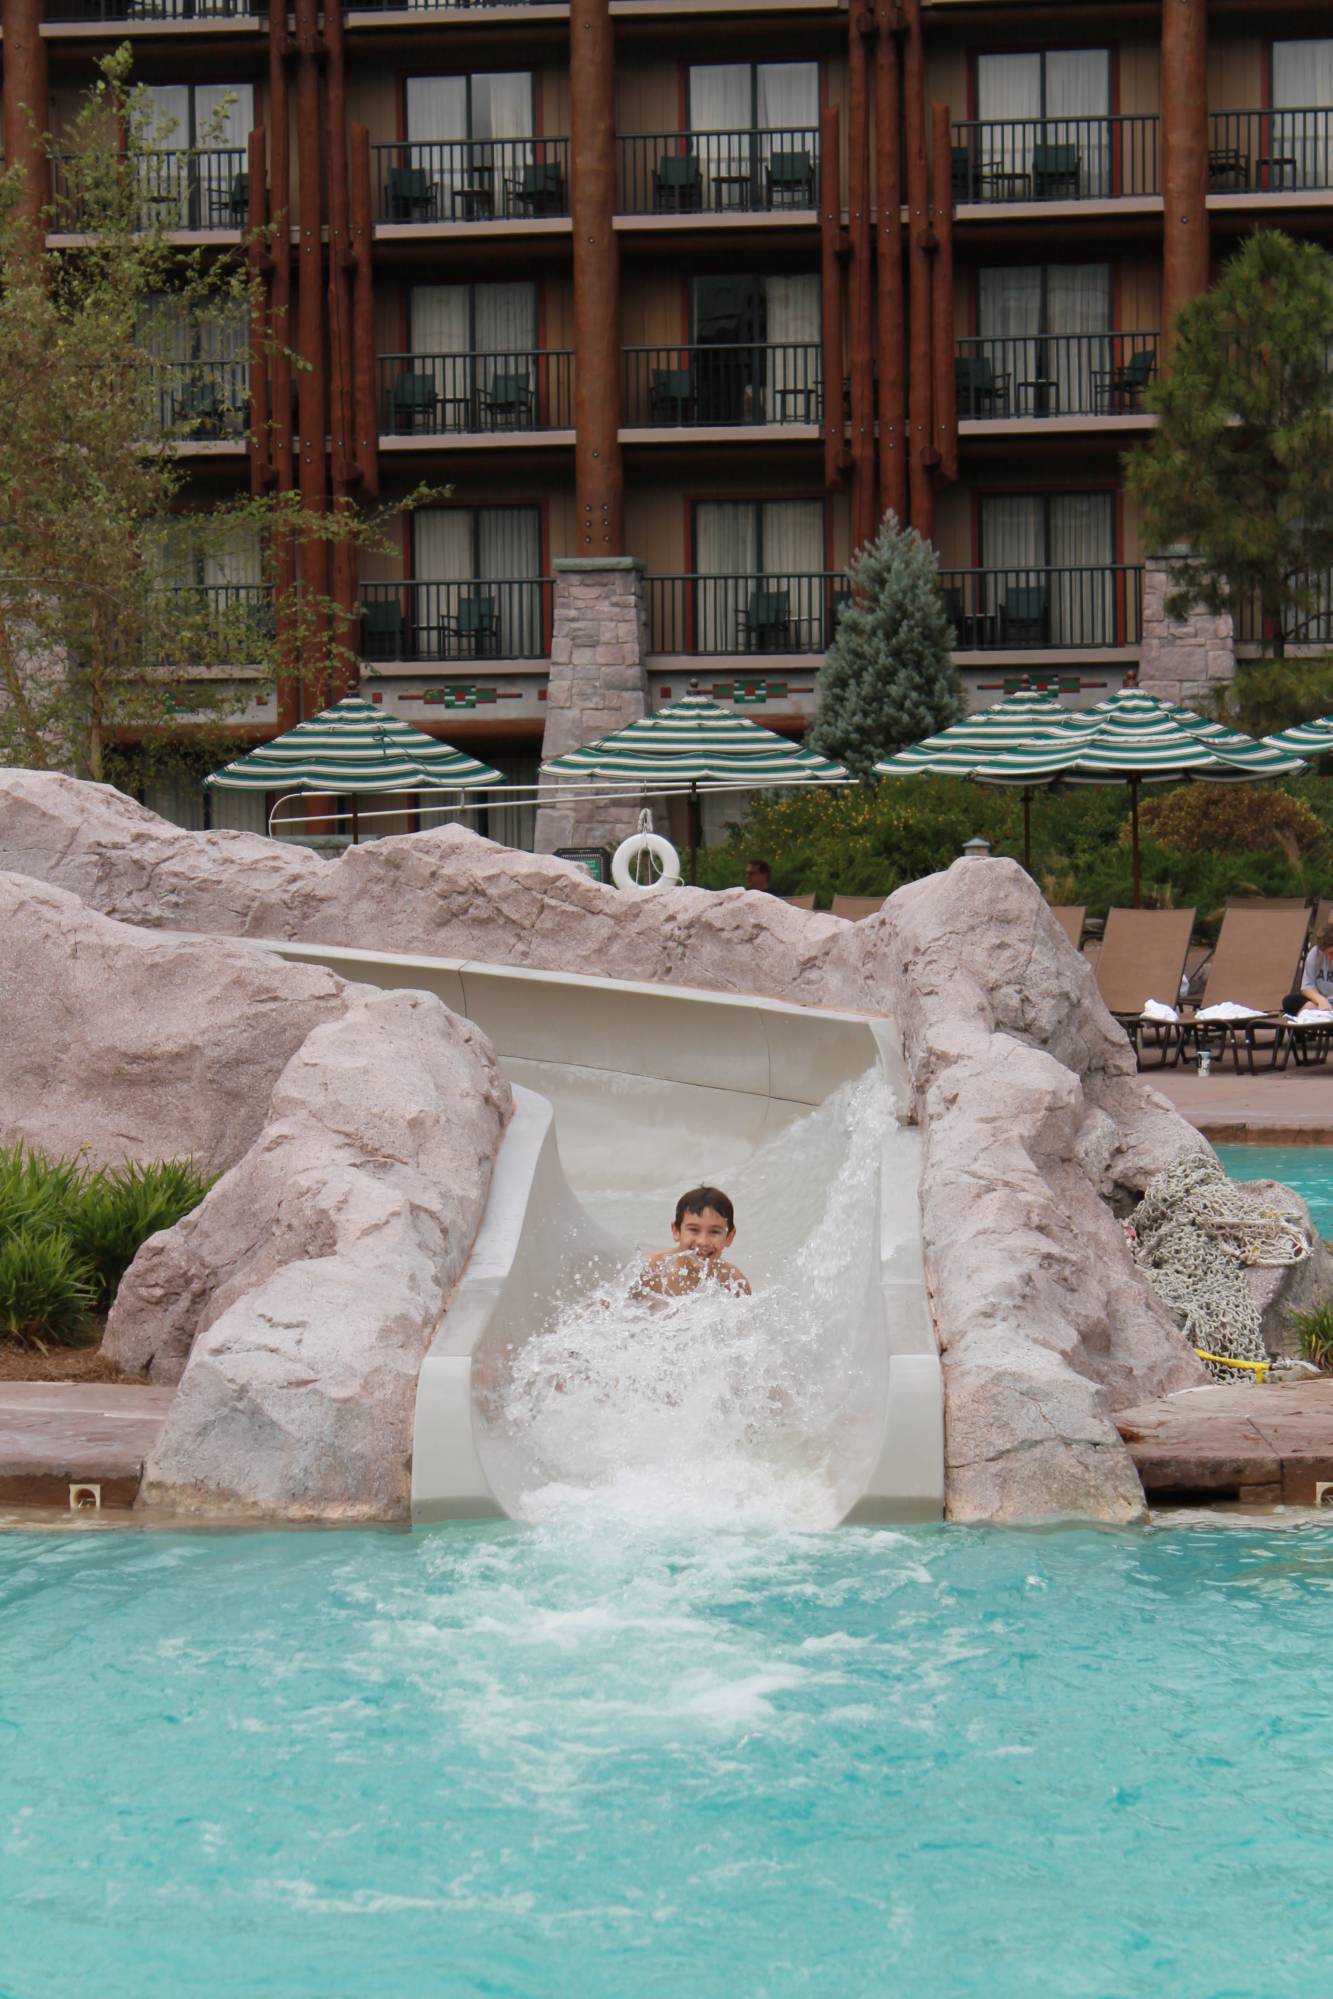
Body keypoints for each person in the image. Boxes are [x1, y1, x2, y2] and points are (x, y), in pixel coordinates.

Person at [632, 1184, 751, 1300]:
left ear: (729, 1237)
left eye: (714, 1232)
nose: (703, 1242)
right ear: (676, 1231)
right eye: (694, 1230)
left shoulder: (733, 1281)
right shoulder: (653, 1268)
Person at [1298, 922, 1333, 1013]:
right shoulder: (1315, 953)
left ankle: (1315, 1012)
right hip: (1322, 1002)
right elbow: (1306, 987)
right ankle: (1320, 1012)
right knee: (1289, 1001)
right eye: (1325, 954)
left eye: (1331, 953)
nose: (1329, 958)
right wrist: (1321, 1000)